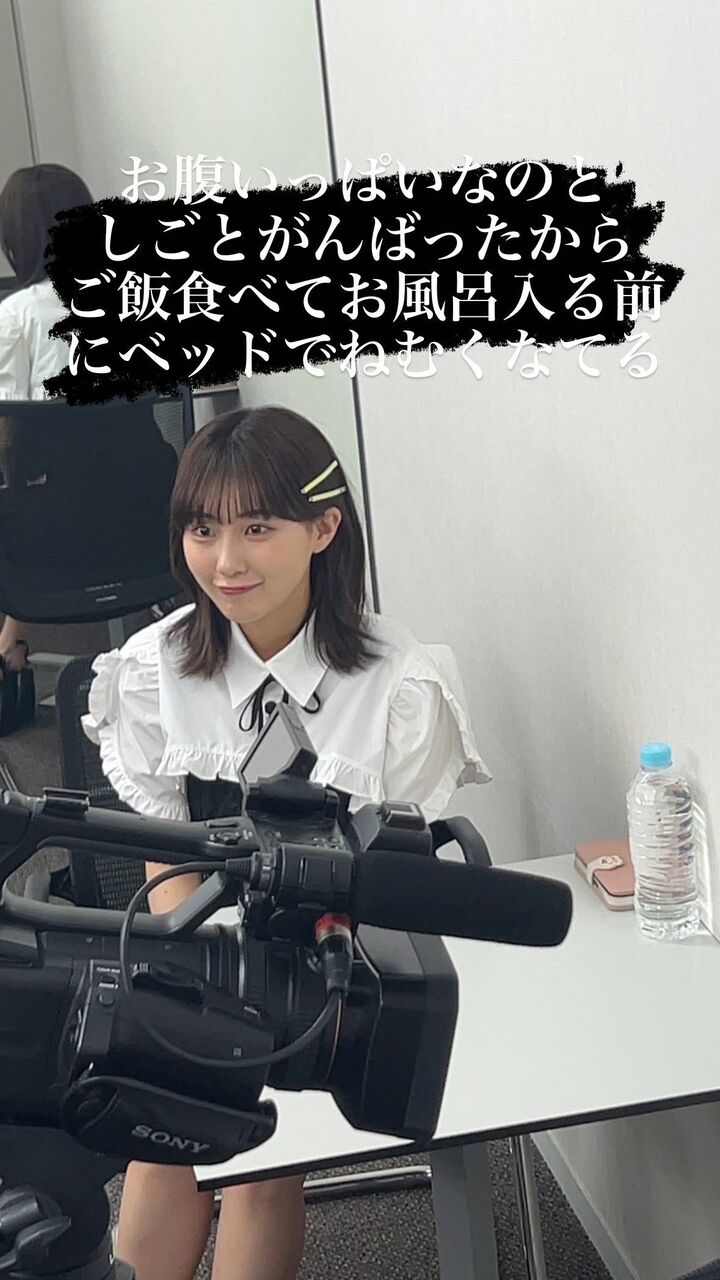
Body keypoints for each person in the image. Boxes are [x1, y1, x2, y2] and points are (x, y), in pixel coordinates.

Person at [82, 405, 491, 1280]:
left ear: (323, 528)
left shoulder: (400, 686)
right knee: (161, 1123)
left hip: (335, 964)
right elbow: (167, 858)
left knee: (262, 1158)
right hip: (197, 944)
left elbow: (389, 882)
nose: (226, 562)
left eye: (258, 529)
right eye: (203, 530)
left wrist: (277, 1002)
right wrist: (198, 984)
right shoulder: (152, 671)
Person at [0, 164, 93, 717]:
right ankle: (12, 638)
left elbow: (8, 425)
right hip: (151, 503)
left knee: (24, 499)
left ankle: (9, 649)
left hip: (55, 520)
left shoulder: (16, 316)